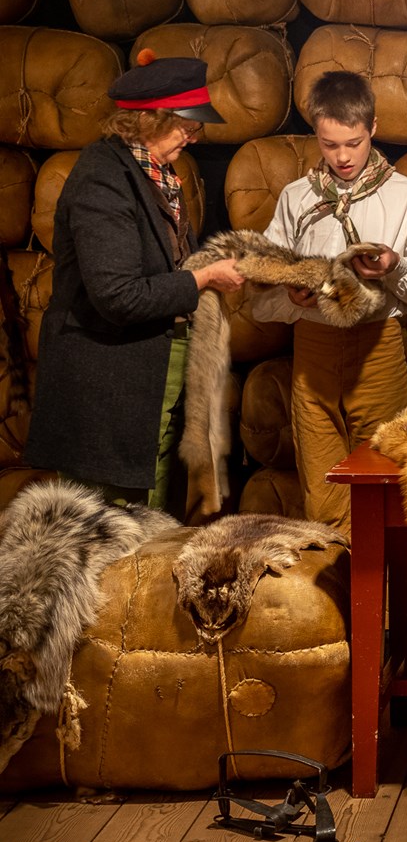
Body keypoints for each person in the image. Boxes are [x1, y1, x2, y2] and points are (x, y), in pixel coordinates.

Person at [25, 52, 246, 516]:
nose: (194, 134)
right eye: (185, 123)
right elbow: (117, 295)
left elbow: (163, 262)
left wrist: (205, 264)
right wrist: (202, 277)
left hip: (149, 369)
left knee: (150, 507)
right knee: (107, 521)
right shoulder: (103, 181)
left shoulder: (159, 175)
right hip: (109, 381)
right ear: (148, 120)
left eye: (195, 125)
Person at [254, 70, 407, 535]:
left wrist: (394, 268)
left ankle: (383, 604)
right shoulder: (296, 198)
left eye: (354, 142)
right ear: (316, 136)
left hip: (378, 350)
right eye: (329, 145)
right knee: (322, 485)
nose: (342, 157)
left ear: (373, 128)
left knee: (384, 479)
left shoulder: (406, 196)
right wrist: (290, 290)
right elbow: (260, 293)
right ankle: (339, 604)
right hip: (313, 350)